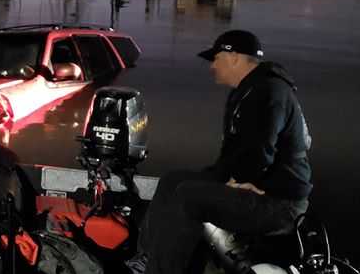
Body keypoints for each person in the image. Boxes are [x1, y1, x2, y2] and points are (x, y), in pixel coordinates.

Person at [127, 30, 312, 274]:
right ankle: (147, 259)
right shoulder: (251, 89)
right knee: (173, 180)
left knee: (187, 197)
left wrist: (245, 180)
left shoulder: (268, 91)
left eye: (216, 58)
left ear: (234, 56)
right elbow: (241, 154)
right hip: (258, 185)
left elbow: (260, 151)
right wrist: (228, 177)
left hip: (279, 203)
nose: (212, 66)